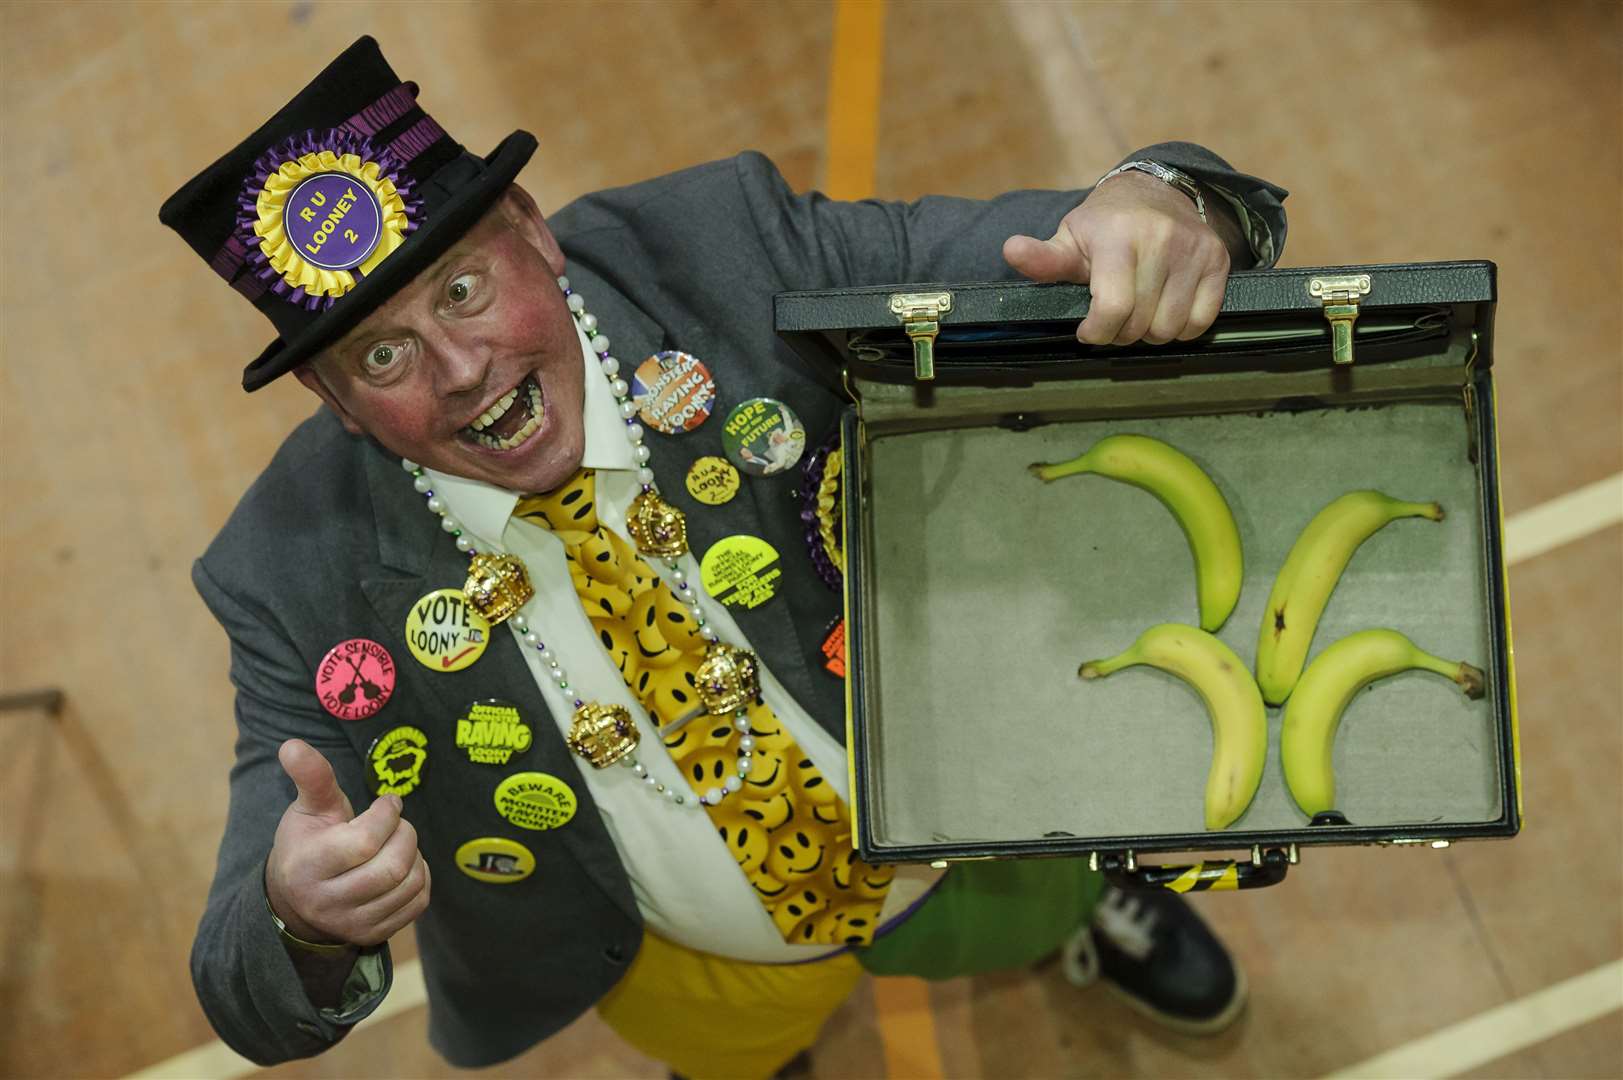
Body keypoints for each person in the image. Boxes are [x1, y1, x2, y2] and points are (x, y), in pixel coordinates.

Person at [161, 36, 1289, 1077]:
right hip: (690, 961)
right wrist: (296, 912)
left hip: (979, 832)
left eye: (464, 290)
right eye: (385, 352)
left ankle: (1081, 914)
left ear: (532, 230)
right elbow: (240, 983)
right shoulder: (286, 574)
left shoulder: (723, 254)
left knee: (1031, 904)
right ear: (333, 399)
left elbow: (1059, 242)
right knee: (731, 1050)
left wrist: (1165, 199)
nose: (459, 370)